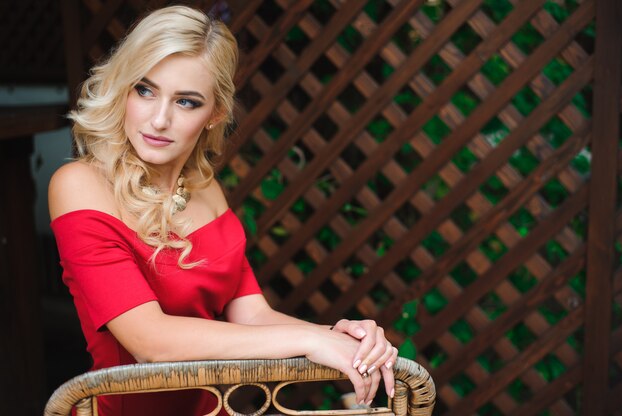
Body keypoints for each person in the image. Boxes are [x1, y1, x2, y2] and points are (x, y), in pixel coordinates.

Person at [49, 5, 397, 415]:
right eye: (144, 90)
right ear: (123, 87)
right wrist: (312, 342)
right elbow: (150, 341)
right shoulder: (79, 185)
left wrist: (345, 338)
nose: (159, 119)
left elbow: (251, 314)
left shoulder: (206, 190)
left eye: (187, 102)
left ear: (214, 114)